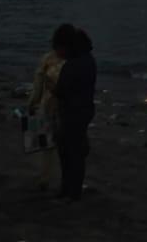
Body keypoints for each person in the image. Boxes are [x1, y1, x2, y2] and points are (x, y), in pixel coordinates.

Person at [51, 23, 97, 201]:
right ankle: (70, 190)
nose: (57, 53)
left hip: (74, 112)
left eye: (58, 48)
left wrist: (52, 88)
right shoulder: (86, 58)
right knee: (74, 151)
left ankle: (71, 191)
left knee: (71, 153)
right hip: (83, 110)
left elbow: (63, 90)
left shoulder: (75, 63)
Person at [26, 43, 65, 190]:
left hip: (48, 105)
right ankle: (63, 179)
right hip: (65, 107)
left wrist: (31, 103)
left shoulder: (47, 59)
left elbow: (38, 86)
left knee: (46, 145)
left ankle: (45, 177)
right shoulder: (73, 60)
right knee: (64, 145)